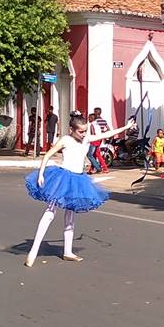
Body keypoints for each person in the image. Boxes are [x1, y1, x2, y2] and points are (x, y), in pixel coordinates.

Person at [24, 116, 136, 266]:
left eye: (85, 131)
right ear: (72, 129)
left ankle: (68, 252)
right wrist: (41, 174)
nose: (84, 134)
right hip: (63, 178)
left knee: (70, 216)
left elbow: (107, 134)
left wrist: (126, 127)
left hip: (78, 180)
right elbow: (48, 155)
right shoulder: (65, 140)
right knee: (50, 213)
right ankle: (33, 251)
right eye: (81, 132)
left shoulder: (86, 139)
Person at [88, 107, 112, 174]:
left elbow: (93, 132)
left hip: (95, 138)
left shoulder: (95, 121)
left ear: (95, 113)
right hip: (100, 138)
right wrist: (102, 133)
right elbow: (108, 129)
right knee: (96, 154)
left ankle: (99, 168)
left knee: (93, 154)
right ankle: (93, 169)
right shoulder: (103, 121)